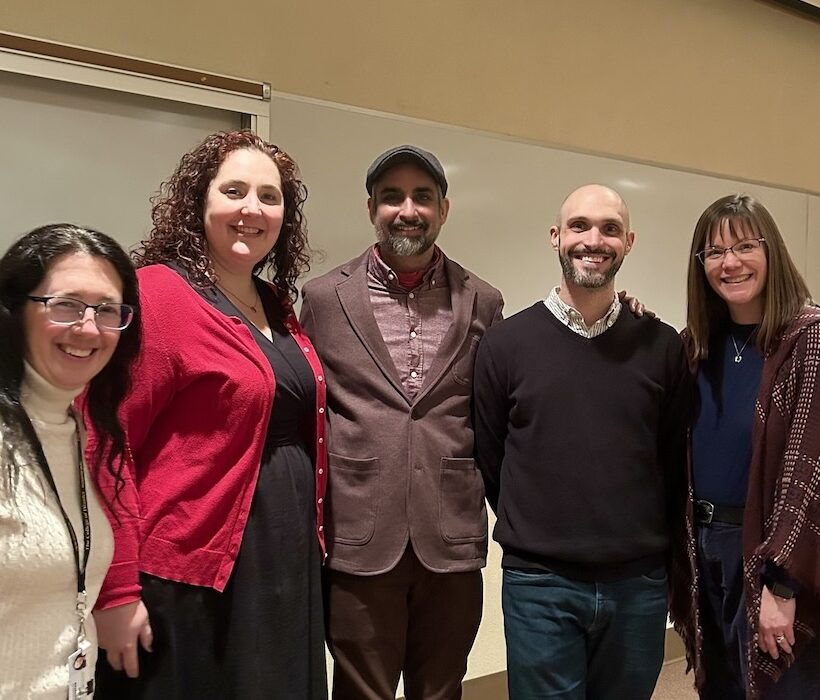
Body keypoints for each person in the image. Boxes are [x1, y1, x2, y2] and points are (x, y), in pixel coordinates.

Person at [92, 130, 328, 699]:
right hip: (192, 569)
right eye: (234, 190)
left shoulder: (275, 302)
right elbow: (107, 442)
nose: (252, 209)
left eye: (269, 197)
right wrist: (116, 591)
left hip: (283, 557)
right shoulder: (160, 295)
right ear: (200, 202)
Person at [300, 145, 503, 700]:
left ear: (444, 208)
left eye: (423, 196)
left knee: (441, 689)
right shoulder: (321, 299)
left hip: (452, 536)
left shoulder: (483, 300)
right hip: (359, 536)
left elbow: (496, 412)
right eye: (392, 197)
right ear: (371, 208)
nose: (407, 209)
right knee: (361, 690)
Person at [473, 184, 690, 700]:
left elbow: (672, 458)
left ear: (628, 242)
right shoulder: (506, 344)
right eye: (580, 226)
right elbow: (491, 456)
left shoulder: (662, 345)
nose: (594, 240)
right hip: (540, 585)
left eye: (610, 229)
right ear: (555, 237)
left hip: (637, 585)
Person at [668, 194, 820, 699]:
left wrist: (783, 585)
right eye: (714, 253)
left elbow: (811, 472)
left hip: (768, 553)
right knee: (722, 687)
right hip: (704, 546)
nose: (729, 263)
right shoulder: (696, 345)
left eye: (744, 247)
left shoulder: (806, 340)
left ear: (771, 251)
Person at [0, 223, 140, 698]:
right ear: (16, 309)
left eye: (107, 310)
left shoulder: (82, 430)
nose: (88, 328)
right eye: (65, 305)